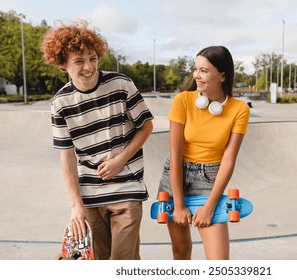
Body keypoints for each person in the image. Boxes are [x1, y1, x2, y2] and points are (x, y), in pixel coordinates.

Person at [41, 20, 154, 260]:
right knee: (100, 261)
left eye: (93, 58)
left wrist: (120, 160)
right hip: (90, 195)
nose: (89, 67)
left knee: (123, 262)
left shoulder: (121, 84)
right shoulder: (60, 103)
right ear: (62, 64)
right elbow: (67, 155)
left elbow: (146, 126)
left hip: (127, 187)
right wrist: (76, 205)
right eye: (79, 61)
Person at [158, 46, 250, 260]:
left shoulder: (239, 110)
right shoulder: (183, 101)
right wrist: (179, 205)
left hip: (210, 179)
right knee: (181, 252)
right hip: (175, 176)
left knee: (219, 262)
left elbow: (228, 160)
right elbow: (175, 152)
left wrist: (210, 206)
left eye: (204, 70)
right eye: (195, 69)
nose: (196, 75)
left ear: (222, 75)